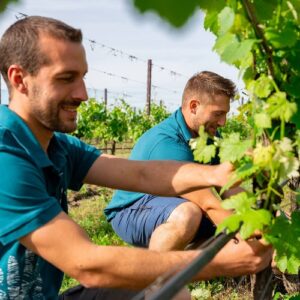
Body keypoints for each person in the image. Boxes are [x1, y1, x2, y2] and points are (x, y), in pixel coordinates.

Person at [0, 16, 272, 300]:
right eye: (66, 78)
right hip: (128, 220)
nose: (83, 94)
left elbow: (140, 174)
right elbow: (88, 264)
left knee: (174, 294)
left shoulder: (59, 147)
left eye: (83, 78)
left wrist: (215, 174)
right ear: (20, 79)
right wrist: (219, 263)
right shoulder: (5, 155)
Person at [105, 71, 243, 251]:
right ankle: (152, 275)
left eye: (225, 114)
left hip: (170, 202)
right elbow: (207, 202)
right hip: (132, 209)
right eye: (218, 114)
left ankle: (180, 263)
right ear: (194, 106)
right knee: (189, 214)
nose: (223, 122)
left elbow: (229, 186)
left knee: (221, 225)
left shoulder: (208, 135)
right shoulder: (168, 142)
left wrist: (254, 216)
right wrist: (248, 237)